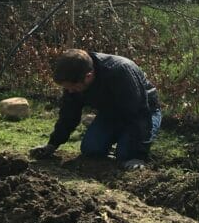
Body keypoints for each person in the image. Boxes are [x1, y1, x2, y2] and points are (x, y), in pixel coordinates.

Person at [30, 49, 162, 169]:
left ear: (88, 76)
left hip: (145, 112)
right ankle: (122, 140)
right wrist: (53, 144)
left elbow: (140, 113)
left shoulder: (120, 72)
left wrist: (139, 155)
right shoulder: (74, 80)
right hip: (112, 114)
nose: (69, 91)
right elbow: (68, 115)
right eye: (67, 88)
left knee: (126, 155)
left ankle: (128, 147)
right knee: (91, 149)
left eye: (72, 87)